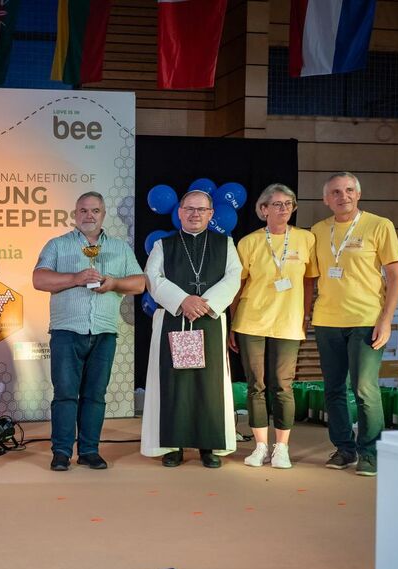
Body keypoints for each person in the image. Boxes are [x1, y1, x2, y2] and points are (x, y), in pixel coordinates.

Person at [33, 191, 146, 471]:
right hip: (66, 331)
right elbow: (39, 279)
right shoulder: (57, 245)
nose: (89, 216)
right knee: (65, 394)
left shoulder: (119, 248)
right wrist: (75, 278)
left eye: (95, 211)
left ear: (103, 215)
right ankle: (61, 452)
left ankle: (89, 451)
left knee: (95, 395)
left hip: (104, 332)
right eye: (83, 210)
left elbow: (140, 284)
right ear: (75, 214)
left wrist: (114, 283)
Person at [309, 172, 398, 477]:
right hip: (327, 321)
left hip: (366, 320)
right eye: (336, 192)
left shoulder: (380, 225)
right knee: (334, 388)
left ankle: (370, 452)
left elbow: (395, 277)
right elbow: (310, 277)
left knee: (364, 388)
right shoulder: (317, 230)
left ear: (358, 194)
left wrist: (386, 320)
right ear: (326, 199)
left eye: (349, 190)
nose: (343, 196)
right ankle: (344, 449)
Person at [141, 190, 242, 467]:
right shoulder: (163, 245)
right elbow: (152, 278)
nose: (195, 214)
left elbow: (234, 277)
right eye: (189, 209)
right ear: (180, 212)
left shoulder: (225, 244)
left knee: (209, 385)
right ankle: (172, 445)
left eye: (201, 209)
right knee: (174, 383)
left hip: (209, 319)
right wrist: (183, 300)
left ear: (211, 214)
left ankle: (209, 446)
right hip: (173, 319)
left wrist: (205, 304)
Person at [229, 184, 317, 469]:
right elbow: (238, 285)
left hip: (288, 321)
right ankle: (260, 447)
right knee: (256, 385)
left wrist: (305, 315)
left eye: (289, 204)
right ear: (263, 209)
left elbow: (309, 281)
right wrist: (232, 324)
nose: (284, 209)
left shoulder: (306, 239)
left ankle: (282, 448)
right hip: (251, 320)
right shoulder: (249, 242)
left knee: (283, 385)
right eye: (277, 204)